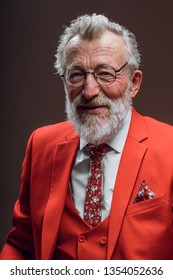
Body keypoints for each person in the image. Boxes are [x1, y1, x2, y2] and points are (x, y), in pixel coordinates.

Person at [1, 13, 173, 260]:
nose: (90, 91)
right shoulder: (41, 145)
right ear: (64, 82)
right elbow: (21, 246)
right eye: (76, 75)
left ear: (133, 83)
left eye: (105, 74)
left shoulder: (170, 148)